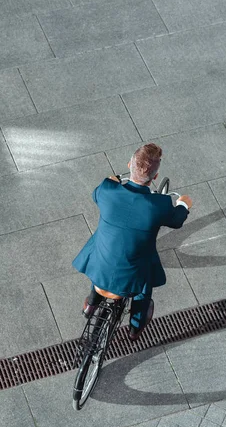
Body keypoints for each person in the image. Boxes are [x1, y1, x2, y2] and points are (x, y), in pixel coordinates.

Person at [72, 143, 192, 341]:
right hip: (131, 275)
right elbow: (176, 221)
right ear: (154, 177)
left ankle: (91, 304)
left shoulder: (107, 190)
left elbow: (96, 194)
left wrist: (112, 181)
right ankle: (136, 326)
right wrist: (184, 204)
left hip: (98, 266)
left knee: (103, 251)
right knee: (144, 285)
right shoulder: (159, 205)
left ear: (129, 164)